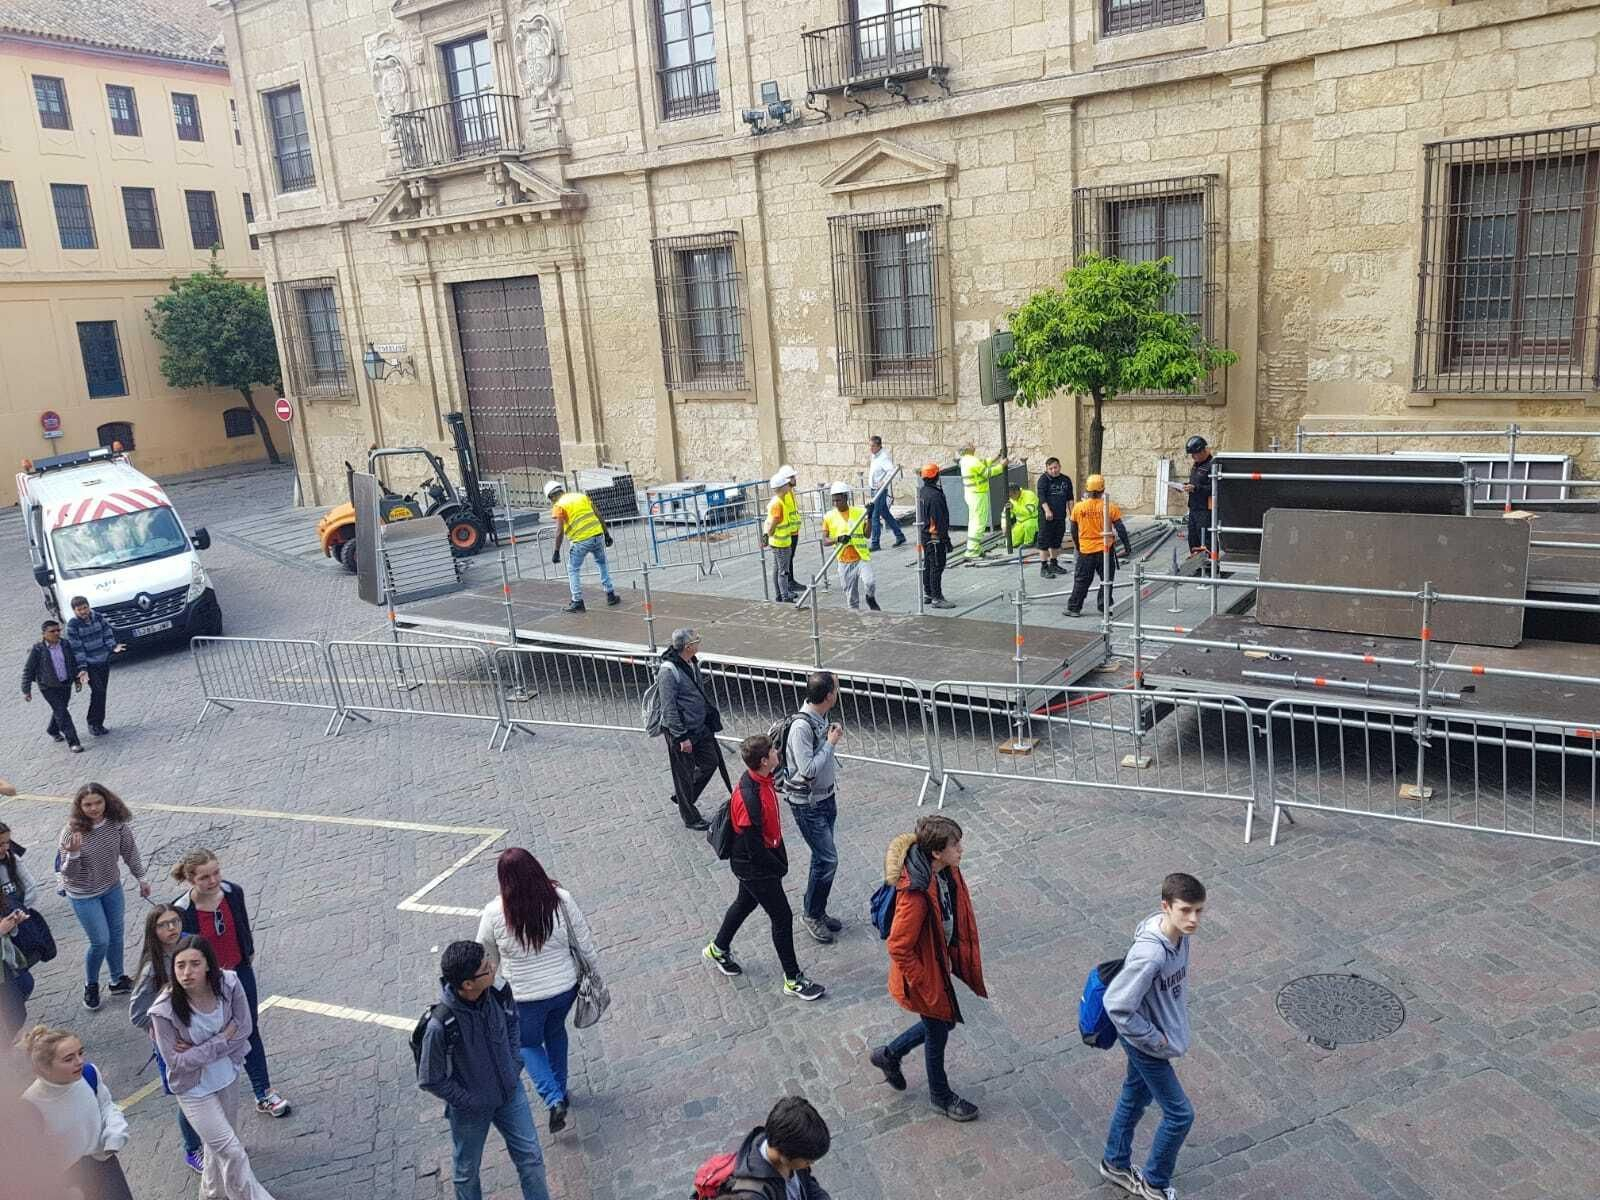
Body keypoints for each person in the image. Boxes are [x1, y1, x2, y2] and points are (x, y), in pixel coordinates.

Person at [868, 815, 987, 1123]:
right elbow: (898, 946)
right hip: (925, 976)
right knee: (938, 1030)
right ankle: (941, 1096)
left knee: (942, 1025)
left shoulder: (945, 870)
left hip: (936, 966)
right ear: (936, 852)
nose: (961, 849)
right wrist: (925, 982)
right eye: (955, 844)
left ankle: (889, 1055)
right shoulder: (916, 897)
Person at [475, 848, 600, 1135]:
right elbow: (583, 940)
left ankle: (553, 1098)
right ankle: (561, 1087)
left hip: (525, 997)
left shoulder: (495, 913)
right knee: (555, 1032)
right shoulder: (561, 900)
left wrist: (496, 988)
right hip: (565, 989)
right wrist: (592, 970)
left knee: (527, 1044)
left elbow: (485, 955)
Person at [1099, 873, 1206, 1200]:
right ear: (1166, 907)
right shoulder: (1151, 954)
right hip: (1146, 1045)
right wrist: (1154, 1038)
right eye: (1186, 910)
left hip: (1156, 1037)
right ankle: (1155, 1182)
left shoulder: (1180, 937)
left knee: (1135, 1095)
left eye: (1199, 911)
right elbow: (1116, 1005)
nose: (1193, 919)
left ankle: (1114, 1163)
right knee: (1180, 1115)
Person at [147, 935, 278, 1200]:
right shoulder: (163, 1010)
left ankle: (210, 1195)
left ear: (209, 965)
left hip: (227, 1076)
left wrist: (201, 1049)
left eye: (195, 964)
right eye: (180, 965)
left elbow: (245, 1028)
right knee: (232, 1150)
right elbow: (177, 1063)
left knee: (215, 1147)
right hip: (193, 1090)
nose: (187, 972)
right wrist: (222, 1038)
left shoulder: (229, 983)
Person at [418, 940, 552, 1200]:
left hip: (510, 1094)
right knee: (467, 1174)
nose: (492, 967)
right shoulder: (439, 1026)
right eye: (485, 967)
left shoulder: (499, 990)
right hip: (471, 1112)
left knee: (531, 1160)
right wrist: (469, 1102)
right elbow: (430, 1079)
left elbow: (513, 1023)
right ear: (468, 984)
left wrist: (514, 1065)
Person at [702, 734, 825, 1002]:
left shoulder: (760, 778)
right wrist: (777, 864)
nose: (776, 752)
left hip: (756, 862)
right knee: (781, 917)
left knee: (745, 903)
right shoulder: (750, 795)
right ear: (763, 761)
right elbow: (752, 846)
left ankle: (718, 948)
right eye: (772, 750)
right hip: (754, 867)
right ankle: (793, 979)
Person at [170, 849, 291, 1118]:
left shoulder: (233, 892)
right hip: (207, 983)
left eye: (215, 873)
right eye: (204, 877)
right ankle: (214, 1097)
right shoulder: (182, 911)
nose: (212, 881)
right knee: (212, 1036)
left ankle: (263, 1091)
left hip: (238, 972)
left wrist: (247, 953)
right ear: (191, 879)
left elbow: (241, 925)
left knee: (249, 1029)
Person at [57, 784, 150, 1011]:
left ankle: (117, 979)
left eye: (98, 802)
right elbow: (67, 873)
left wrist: (141, 877)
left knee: (116, 935)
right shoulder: (71, 831)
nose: (94, 808)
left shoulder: (116, 823)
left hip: (111, 887)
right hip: (83, 894)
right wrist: (74, 854)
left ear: (106, 801)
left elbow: (129, 850)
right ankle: (91, 983)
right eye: (87, 804)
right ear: (79, 807)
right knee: (100, 941)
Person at [130, 903, 206, 1174]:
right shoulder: (153, 968)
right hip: (174, 1047)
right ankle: (192, 1148)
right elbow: (138, 1014)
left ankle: (215, 1141)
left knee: (208, 1089)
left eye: (174, 921)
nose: (171, 928)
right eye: (163, 924)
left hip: (199, 1034)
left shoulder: (189, 948)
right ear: (153, 930)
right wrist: (165, 1034)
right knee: (187, 1098)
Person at [17, 1024, 133, 1200]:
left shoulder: (89, 1074)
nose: (79, 1061)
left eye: (80, 1053)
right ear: (45, 1067)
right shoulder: (30, 1106)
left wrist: (115, 1133)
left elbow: (106, 1105)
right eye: (68, 1059)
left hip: (104, 1165)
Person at [782, 672, 844, 945]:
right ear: (829, 695)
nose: (839, 692)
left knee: (822, 858)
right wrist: (830, 744)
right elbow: (807, 770)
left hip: (826, 798)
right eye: (837, 688)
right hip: (809, 804)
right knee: (828, 859)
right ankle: (811, 914)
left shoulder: (821, 718)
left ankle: (816, 909)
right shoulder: (801, 728)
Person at [657, 627, 727, 832]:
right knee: (683, 774)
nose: (699, 643)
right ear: (688, 647)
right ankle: (689, 815)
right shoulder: (668, 672)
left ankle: (684, 796)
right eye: (697, 641)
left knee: (710, 761)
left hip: (699, 727)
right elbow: (668, 707)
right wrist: (681, 737)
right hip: (682, 732)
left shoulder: (691, 662)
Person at [707, 1095, 833, 1200]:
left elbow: (806, 1183)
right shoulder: (752, 1195)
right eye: (807, 1161)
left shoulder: (788, 1143)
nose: (810, 1164)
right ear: (783, 1155)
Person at [544, 479, 618, 614]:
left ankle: (577, 601)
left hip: (580, 541)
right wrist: (607, 535)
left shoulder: (559, 505)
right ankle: (610, 594)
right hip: (597, 535)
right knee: (602, 564)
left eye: (550, 499)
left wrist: (556, 551)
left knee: (573, 569)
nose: (552, 502)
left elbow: (559, 531)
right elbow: (598, 515)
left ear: (552, 496)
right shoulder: (581, 496)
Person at [1066, 474, 1132, 618]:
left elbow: (1073, 530)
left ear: (1087, 489)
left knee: (1082, 581)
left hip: (1086, 551)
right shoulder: (1110, 507)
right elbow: (1120, 528)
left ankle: (1074, 608)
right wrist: (1127, 547)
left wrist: (1078, 546)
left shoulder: (1078, 507)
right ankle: (1104, 606)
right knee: (1106, 580)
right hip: (1105, 550)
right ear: (1103, 489)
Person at [22, 619, 88, 753]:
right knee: (62, 712)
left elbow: (72, 662)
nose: (57, 633)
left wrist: (77, 677)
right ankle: (73, 742)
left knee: (60, 709)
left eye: (58, 630)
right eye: (52, 631)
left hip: (65, 684)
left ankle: (52, 729)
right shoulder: (38, 649)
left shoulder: (65, 644)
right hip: (48, 687)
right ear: (44, 634)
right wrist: (26, 690)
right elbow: (28, 670)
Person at [0, 821, 40, 1041]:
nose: (5, 848)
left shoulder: (10, 861)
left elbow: (28, 887)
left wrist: (16, 915)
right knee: (15, 1011)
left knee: (24, 986)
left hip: (8, 949)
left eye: (6, 842)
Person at [65, 598, 124, 738]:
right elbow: (77, 648)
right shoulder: (73, 625)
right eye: (79, 610)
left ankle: (99, 723)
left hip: (103, 660)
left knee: (102, 692)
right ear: (74, 611)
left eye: (85, 608)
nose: (83, 612)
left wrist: (113, 646)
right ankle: (92, 722)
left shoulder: (98, 617)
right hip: (89, 664)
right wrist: (83, 668)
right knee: (98, 690)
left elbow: (107, 632)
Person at [822, 483, 880, 612]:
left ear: (845, 497)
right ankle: (854, 618)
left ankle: (870, 598)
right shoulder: (829, 517)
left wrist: (870, 516)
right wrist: (837, 539)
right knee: (851, 597)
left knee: (870, 582)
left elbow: (867, 534)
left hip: (861, 557)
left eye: (839, 500)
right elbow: (824, 541)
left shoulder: (859, 512)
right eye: (834, 501)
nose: (836, 503)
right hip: (844, 561)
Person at [956, 444, 1006, 560]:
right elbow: (987, 473)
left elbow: (983, 463)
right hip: (978, 494)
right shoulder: (972, 461)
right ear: (968, 449)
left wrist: (997, 456)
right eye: (971, 445)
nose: (974, 446)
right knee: (979, 523)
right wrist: (1001, 466)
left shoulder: (965, 460)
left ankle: (974, 548)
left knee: (974, 522)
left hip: (971, 493)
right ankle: (972, 552)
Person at [916, 463, 955, 609]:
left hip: (925, 536)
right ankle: (937, 598)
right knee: (937, 566)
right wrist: (946, 541)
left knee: (928, 564)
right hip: (935, 538)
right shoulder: (935, 496)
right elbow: (939, 521)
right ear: (936, 476)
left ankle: (928, 593)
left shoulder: (923, 492)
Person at [763, 465, 803, 602]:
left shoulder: (782, 498)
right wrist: (768, 534)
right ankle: (784, 596)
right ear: (782, 486)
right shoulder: (778, 503)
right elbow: (772, 523)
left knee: (780, 569)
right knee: (783, 571)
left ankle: (782, 594)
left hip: (784, 539)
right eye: (788, 481)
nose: (790, 483)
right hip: (781, 542)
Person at [1035, 457, 1076, 579]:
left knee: (1056, 541)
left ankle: (1054, 563)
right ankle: (1044, 567)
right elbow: (1042, 498)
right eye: (1050, 468)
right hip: (1046, 517)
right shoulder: (1043, 480)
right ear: (1047, 469)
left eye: (1055, 467)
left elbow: (1070, 498)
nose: (1053, 470)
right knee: (1044, 541)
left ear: (1059, 466)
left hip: (1060, 516)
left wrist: (1072, 514)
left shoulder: (1065, 480)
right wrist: (1047, 511)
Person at [865, 436, 906, 552]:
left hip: (880, 490)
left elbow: (891, 470)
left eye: (872, 446)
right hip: (875, 489)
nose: (870, 448)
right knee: (885, 514)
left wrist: (883, 482)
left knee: (874, 515)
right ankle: (899, 535)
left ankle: (875, 543)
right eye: (870, 446)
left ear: (878, 446)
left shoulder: (883, 457)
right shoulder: (875, 456)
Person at [1182, 436, 1213, 557]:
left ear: (1202, 451)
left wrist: (1195, 489)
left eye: (1194, 454)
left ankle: (1210, 566)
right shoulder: (1196, 465)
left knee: (1205, 541)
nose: (1193, 457)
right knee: (1193, 539)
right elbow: (1195, 483)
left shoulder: (1212, 466)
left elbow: (1214, 489)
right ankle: (1196, 565)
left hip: (1205, 510)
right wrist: (1184, 486)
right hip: (1194, 508)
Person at [1003, 481, 1040, 554]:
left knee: (1029, 525)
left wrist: (1014, 508)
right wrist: (1004, 526)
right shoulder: (1011, 499)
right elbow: (1005, 514)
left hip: (1033, 519)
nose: (1010, 498)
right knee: (1010, 543)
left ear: (1016, 492)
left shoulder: (1029, 495)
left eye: (1011, 496)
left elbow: (1029, 511)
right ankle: (1025, 538)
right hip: (1019, 523)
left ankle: (1029, 542)